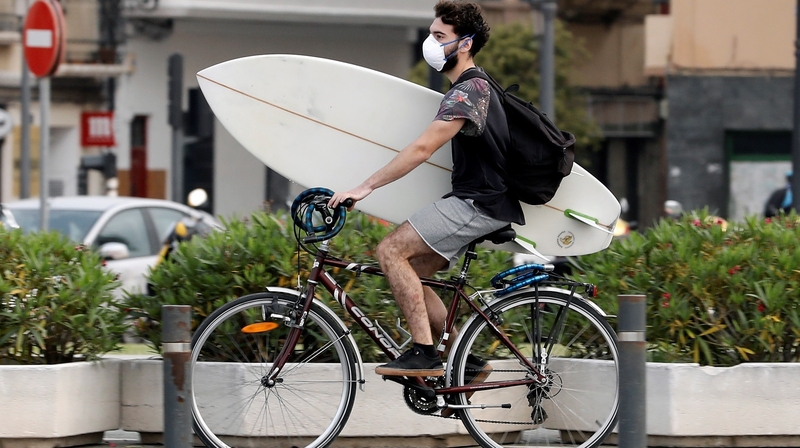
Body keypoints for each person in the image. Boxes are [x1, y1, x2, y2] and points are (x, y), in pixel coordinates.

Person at [329, 1, 524, 378]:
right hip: (481, 201)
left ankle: (424, 354)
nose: (430, 43)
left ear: (464, 44)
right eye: (431, 34)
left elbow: (422, 149)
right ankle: (466, 362)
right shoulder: (473, 87)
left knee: (390, 250)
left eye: (439, 37)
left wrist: (365, 187)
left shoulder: (469, 91)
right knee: (412, 270)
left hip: (477, 203)